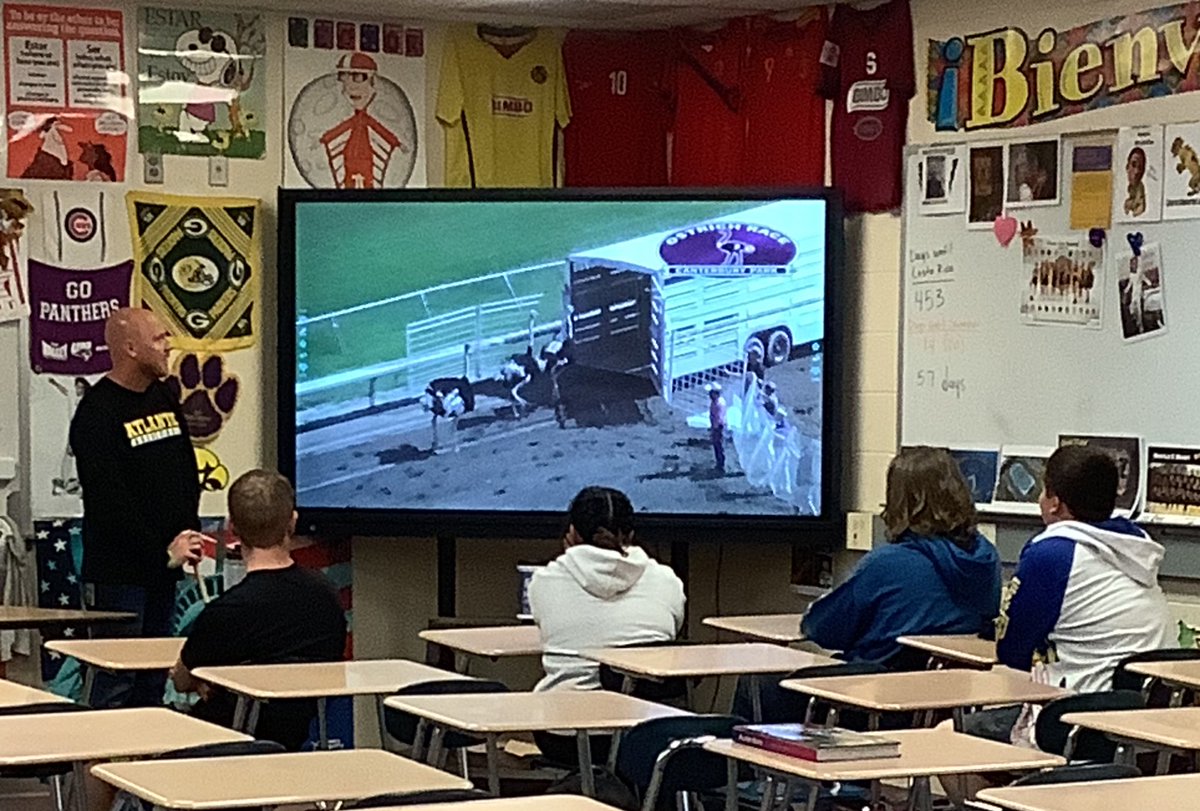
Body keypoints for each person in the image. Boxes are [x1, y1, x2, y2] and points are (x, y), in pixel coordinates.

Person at [69, 308, 207, 707]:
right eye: (160, 338)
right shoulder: (97, 413)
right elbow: (110, 505)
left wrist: (188, 532)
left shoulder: (163, 394)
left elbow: (184, 466)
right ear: (130, 348)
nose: (169, 345)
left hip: (164, 572)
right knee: (115, 682)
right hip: (120, 577)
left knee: (152, 682)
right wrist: (160, 553)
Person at [170, 470, 347, 750]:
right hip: (295, 740)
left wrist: (210, 682)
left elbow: (181, 680)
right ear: (293, 521)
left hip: (219, 745)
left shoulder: (227, 610)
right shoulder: (327, 595)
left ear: (233, 528)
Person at [802, 446, 1000, 668]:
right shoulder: (986, 559)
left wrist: (814, 613)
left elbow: (824, 630)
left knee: (768, 690)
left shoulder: (887, 563)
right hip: (954, 689)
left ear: (898, 499)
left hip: (873, 687)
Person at [997, 445, 1172, 693]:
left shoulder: (1052, 553)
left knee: (950, 726)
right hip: (1151, 704)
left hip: (1082, 707)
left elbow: (1012, 650)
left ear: (1055, 503)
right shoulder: (1137, 544)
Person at [528, 487, 685, 762]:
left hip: (564, 735)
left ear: (572, 533)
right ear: (631, 535)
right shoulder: (667, 580)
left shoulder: (545, 581)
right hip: (647, 736)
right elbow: (671, 631)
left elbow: (548, 629)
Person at [707, 382, 728, 473]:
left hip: (718, 428)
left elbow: (719, 419)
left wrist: (714, 429)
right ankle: (719, 463)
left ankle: (720, 465)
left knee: (718, 445)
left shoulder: (719, 404)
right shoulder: (716, 402)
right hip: (717, 427)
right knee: (717, 445)